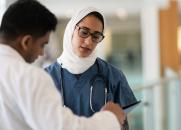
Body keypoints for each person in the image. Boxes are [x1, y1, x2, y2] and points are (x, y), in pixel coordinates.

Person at [0, 0, 125, 130]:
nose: (42, 53)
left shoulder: (113, 74)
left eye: (96, 36)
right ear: (26, 42)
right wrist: (110, 118)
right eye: (42, 45)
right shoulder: (32, 77)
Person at [45, 6, 137, 129]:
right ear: (71, 30)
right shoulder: (46, 77)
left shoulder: (113, 76)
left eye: (96, 36)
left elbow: (123, 123)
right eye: (84, 32)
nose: (89, 42)